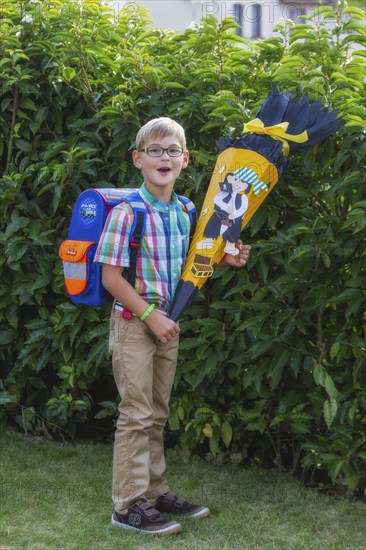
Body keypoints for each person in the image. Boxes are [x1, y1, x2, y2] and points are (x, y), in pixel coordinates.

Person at [94, 117, 251, 536]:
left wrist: (224, 258)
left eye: (173, 151)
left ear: (186, 160)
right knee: (136, 413)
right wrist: (151, 316)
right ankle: (128, 505)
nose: (164, 157)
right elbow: (111, 279)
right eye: (155, 150)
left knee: (157, 413)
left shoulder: (185, 212)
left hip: (168, 324)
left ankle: (154, 492)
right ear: (138, 159)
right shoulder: (128, 213)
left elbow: (191, 262)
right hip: (135, 324)